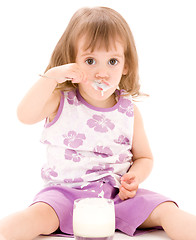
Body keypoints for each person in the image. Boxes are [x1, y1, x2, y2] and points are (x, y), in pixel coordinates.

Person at [0, 6, 196, 240]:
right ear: (72, 62)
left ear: (126, 66)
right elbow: (24, 114)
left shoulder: (129, 111)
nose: (102, 73)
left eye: (112, 61)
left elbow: (145, 157)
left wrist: (134, 177)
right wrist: (52, 76)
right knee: (32, 218)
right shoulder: (59, 101)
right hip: (64, 196)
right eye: (90, 60)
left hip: (116, 198)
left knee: (168, 210)